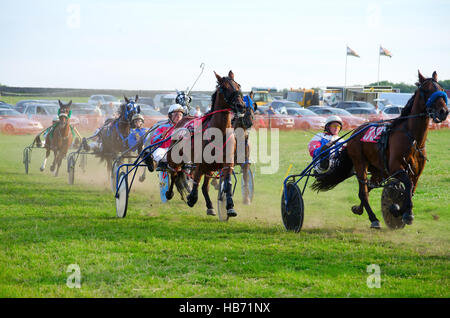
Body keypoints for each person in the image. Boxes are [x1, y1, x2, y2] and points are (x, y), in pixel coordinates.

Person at [145, 103, 185, 171]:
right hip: (164, 150)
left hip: (178, 151)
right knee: (157, 153)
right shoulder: (162, 127)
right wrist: (161, 136)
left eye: (180, 115)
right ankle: (153, 164)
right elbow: (153, 140)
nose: (178, 117)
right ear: (170, 116)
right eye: (176, 115)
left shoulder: (185, 128)